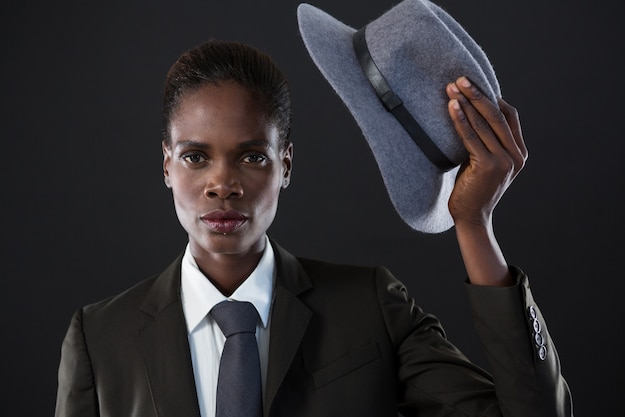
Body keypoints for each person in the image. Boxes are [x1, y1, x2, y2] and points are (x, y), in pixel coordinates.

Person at [54, 38, 572, 417]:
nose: (222, 184)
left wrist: (474, 223)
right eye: (194, 157)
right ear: (166, 165)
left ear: (287, 164)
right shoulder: (100, 340)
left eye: (252, 157)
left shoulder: (370, 307)